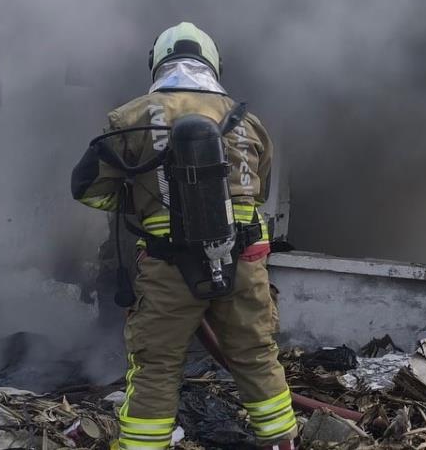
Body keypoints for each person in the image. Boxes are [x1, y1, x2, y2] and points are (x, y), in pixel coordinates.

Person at [71, 22, 295, 450]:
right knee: (256, 355)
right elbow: (257, 190)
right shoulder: (249, 122)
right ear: (213, 63)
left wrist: (142, 201)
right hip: (245, 263)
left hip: (168, 266)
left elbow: (87, 189)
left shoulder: (129, 118)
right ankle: (282, 443)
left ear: (157, 62)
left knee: (156, 366)